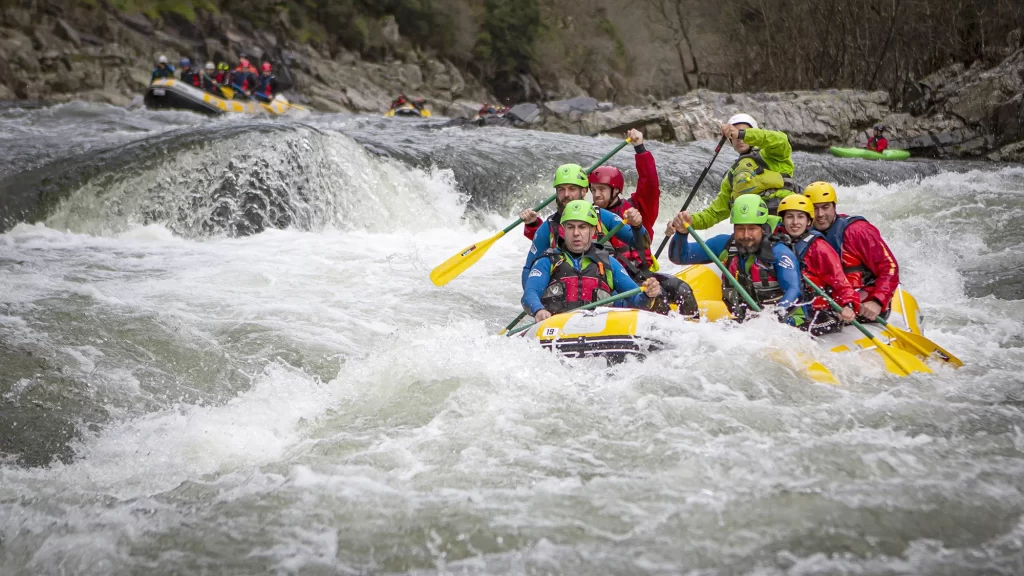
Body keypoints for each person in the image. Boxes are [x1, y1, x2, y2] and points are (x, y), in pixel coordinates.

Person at [585, 128, 698, 316]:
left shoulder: (637, 208)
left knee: (683, 291)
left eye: (602, 189)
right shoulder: (588, 217)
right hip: (617, 283)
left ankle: (693, 330)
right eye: (593, 190)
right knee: (658, 299)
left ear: (615, 191)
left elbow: (650, 185)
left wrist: (640, 149)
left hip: (644, 274)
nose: (596, 195)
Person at [667, 195, 804, 325]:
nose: (745, 235)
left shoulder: (779, 252)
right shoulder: (724, 245)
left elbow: (794, 290)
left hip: (788, 323)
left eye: (752, 229)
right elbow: (680, 257)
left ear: (762, 229)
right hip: (746, 322)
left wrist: (773, 317)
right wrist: (681, 233)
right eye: (740, 229)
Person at [523, 200, 662, 322]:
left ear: (593, 230)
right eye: (570, 227)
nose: (576, 233)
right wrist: (538, 310)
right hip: (558, 328)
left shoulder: (609, 263)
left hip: (599, 330)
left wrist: (648, 294)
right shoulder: (547, 261)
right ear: (563, 230)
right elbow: (530, 294)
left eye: (582, 227)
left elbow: (636, 300)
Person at [520, 163, 648, 288]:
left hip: (604, 292)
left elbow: (642, 244)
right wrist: (535, 304)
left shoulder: (602, 216)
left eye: (572, 189)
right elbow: (529, 268)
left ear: (584, 191)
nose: (566, 195)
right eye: (561, 189)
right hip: (564, 296)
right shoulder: (548, 227)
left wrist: (637, 226)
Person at [682, 113, 799, 230]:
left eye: (742, 132)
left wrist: (742, 134)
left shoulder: (774, 155)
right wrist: (690, 221)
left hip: (786, 222)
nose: (739, 139)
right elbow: (715, 213)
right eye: (734, 135)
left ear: (754, 133)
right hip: (752, 230)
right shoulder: (733, 175)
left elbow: (780, 140)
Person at [805, 181, 900, 322]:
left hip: (865, 303)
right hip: (833, 304)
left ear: (834, 206)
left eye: (825, 207)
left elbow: (889, 266)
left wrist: (877, 301)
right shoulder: (802, 233)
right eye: (814, 208)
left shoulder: (858, 231)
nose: (820, 214)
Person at [775, 194, 859, 336]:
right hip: (789, 308)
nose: (795, 222)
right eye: (790, 217)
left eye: (800, 217)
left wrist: (848, 304)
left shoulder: (819, 247)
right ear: (782, 220)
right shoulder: (775, 243)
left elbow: (840, 281)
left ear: (809, 221)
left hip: (819, 312)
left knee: (798, 332)